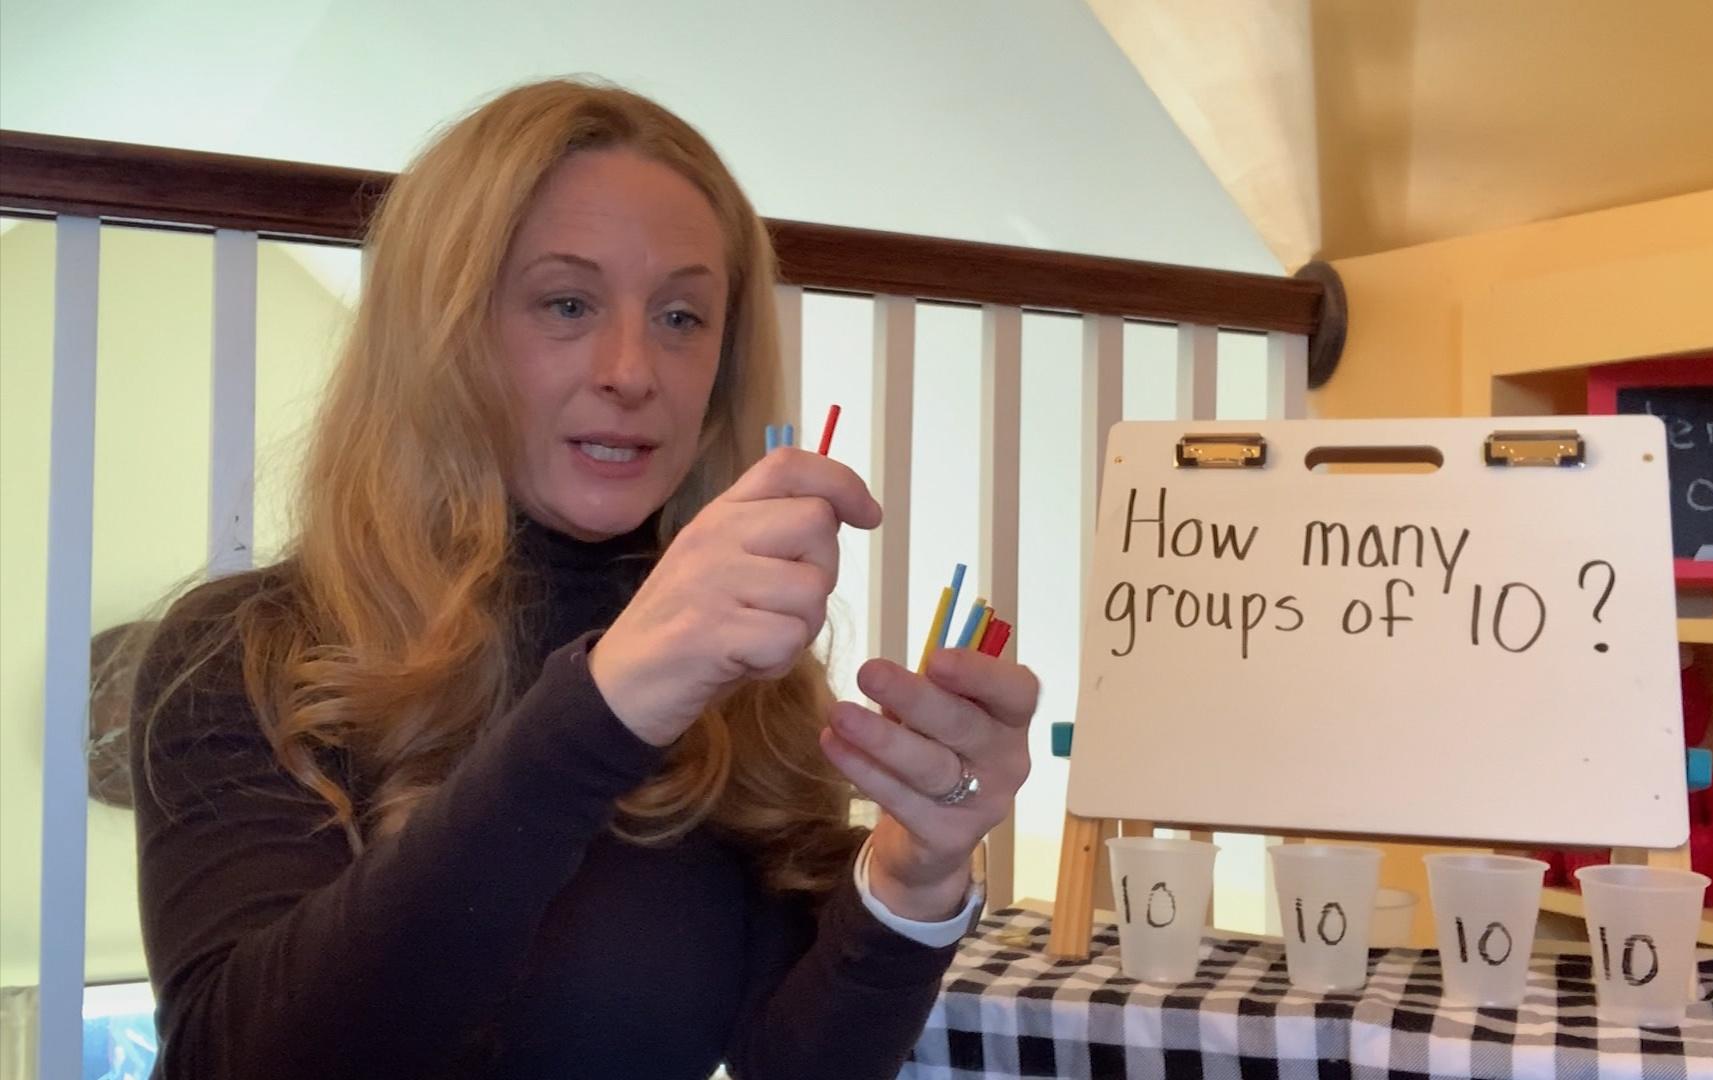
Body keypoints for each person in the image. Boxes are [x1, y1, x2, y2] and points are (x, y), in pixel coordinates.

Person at [131, 78, 1038, 1079]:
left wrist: (915, 878)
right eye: (567, 303)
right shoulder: (249, 654)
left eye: (683, 318)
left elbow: (793, 1064)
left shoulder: (748, 685)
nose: (631, 369)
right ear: (441, 336)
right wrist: (608, 703)